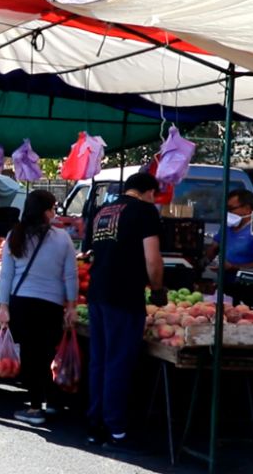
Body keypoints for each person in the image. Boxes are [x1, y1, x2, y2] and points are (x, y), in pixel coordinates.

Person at [85, 172, 164, 450]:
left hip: (96, 293)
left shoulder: (100, 210)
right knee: (119, 362)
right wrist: (157, 289)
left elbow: (89, 253)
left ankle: (94, 426)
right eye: (154, 194)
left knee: (99, 361)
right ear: (147, 191)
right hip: (125, 295)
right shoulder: (145, 211)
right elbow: (152, 258)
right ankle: (116, 429)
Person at [0, 190, 78, 425]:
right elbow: (70, 275)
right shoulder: (62, 238)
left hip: (22, 302)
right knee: (48, 353)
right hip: (51, 305)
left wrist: (3, 306)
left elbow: (6, 276)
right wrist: (71, 305)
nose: (54, 212)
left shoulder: (15, 235)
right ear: (45, 211)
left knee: (32, 356)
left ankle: (34, 408)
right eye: (52, 208)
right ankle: (51, 402)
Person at [205, 189, 253, 285]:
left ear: (247, 209)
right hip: (223, 282)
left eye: (231, 209)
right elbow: (214, 247)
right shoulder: (226, 227)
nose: (227, 213)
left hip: (246, 284)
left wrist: (233, 267)